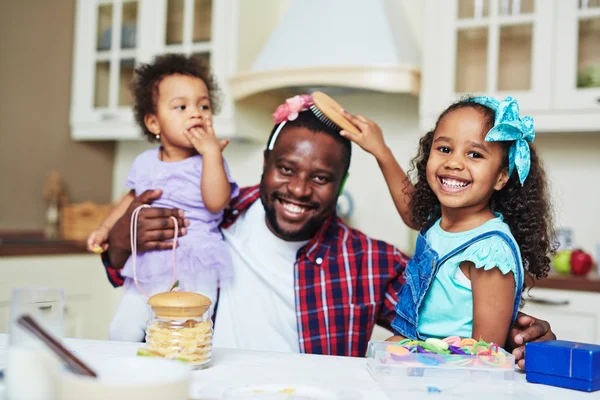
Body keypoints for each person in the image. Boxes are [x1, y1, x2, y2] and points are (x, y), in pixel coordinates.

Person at [101, 93, 555, 367]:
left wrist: (524, 333)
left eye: (321, 178)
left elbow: (447, 315)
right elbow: (143, 268)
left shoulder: (368, 261)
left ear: (341, 186)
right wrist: (118, 245)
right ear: (265, 165)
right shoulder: (214, 213)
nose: (298, 189)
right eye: (285, 169)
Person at [340, 96, 554, 347]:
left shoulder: (489, 251)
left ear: (501, 177)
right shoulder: (439, 224)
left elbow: (486, 353)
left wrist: (410, 354)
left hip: (452, 373)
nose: (453, 162)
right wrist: (381, 151)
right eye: (444, 149)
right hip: (422, 361)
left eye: (474, 154)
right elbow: (412, 212)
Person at [90, 53, 238, 342]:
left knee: (188, 334)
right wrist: (104, 229)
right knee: (122, 330)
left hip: (197, 262)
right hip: (147, 263)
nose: (196, 113)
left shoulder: (211, 161)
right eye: (181, 106)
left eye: (204, 105)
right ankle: (132, 380)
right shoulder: (144, 163)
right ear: (154, 123)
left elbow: (216, 202)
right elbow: (129, 201)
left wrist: (211, 153)